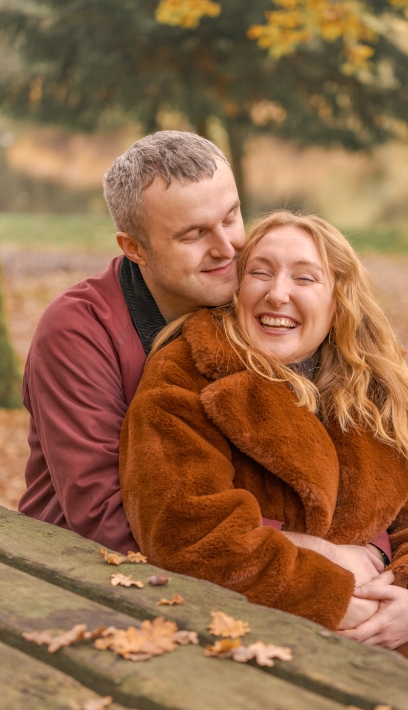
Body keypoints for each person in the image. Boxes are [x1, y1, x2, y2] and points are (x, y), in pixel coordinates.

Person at [120, 210, 408, 682]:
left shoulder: (374, 391)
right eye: (260, 272)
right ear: (236, 289)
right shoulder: (187, 375)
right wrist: (338, 597)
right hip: (271, 653)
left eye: (304, 277)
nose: (277, 293)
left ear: (337, 300)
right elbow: (191, 535)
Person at [19, 131, 245, 552]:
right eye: (195, 234)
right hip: (76, 573)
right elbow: (104, 515)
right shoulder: (76, 330)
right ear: (134, 248)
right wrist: (300, 558)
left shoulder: (263, 299)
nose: (227, 248)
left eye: (231, 217)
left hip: (237, 557)